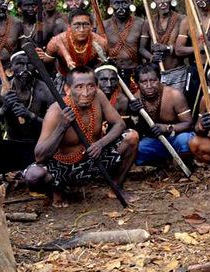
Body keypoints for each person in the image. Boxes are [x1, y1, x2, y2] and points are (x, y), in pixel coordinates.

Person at [23, 66, 138, 207]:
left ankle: (116, 188)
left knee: (132, 137)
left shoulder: (99, 96)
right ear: (67, 89)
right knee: (33, 175)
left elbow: (119, 124)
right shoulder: (56, 110)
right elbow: (40, 157)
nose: (86, 92)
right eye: (79, 87)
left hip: (94, 159)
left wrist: (100, 144)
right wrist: (62, 127)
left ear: (96, 87)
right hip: (63, 167)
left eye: (91, 86)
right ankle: (56, 192)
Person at [0, 51, 55, 174]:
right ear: (10, 69)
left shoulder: (45, 90)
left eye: (29, 64)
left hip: (39, 146)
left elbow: (55, 127)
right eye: (20, 64)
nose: (25, 69)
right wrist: (3, 110)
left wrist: (30, 116)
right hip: (10, 146)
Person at [127, 64, 194, 166]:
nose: (149, 85)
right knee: (136, 150)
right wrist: (134, 114)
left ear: (159, 79)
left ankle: (183, 161)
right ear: (137, 84)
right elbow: (136, 132)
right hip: (154, 143)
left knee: (186, 140)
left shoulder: (174, 95)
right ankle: (164, 164)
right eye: (144, 82)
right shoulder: (135, 100)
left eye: (153, 80)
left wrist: (168, 128)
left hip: (175, 138)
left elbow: (189, 124)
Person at [45, 9, 108, 74]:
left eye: (86, 24)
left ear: (91, 26)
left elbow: (106, 65)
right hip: (66, 78)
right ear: (69, 27)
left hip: (92, 78)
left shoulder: (101, 43)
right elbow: (46, 64)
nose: (81, 29)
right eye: (77, 25)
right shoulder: (56, 42)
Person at [103, 0, 146, 85]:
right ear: (111, 7)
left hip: (135, 72)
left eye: (124, 3)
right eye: (116, 4)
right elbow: (100, 50)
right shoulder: (104, 25)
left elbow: (144, 49)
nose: (121, 7)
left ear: (130, 5)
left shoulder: (141, 23)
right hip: (112, 74)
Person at [141, 0, 185, 74]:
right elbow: (142, 49)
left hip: (178, 71)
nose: (162, 1)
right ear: (154, 2)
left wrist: (168, 48)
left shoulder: (182, 20)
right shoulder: (149, 22)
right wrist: (151, 57)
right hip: (156, 73)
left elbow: (188, 47)